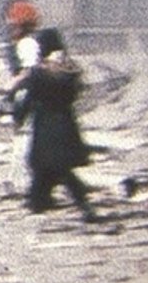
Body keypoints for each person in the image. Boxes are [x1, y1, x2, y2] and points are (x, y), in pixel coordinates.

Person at [5, 27, 97, 219]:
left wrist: (18, 118)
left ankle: (77, 202)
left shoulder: (38, 72)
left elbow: (26, 97)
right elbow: (76, 92)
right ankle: (38, 201)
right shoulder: (69, 67)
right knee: (50, 166)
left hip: (45, 122)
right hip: (65, 120)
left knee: (52, 165)